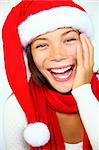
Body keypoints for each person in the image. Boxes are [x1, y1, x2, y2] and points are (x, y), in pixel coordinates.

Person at [2, 1, 99, 150]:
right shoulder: (16, 108)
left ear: (86, 44)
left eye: (69, 40)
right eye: (41, 45)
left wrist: (83, 92)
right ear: (30, 56)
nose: (58, 55)